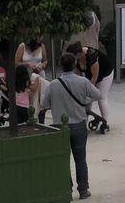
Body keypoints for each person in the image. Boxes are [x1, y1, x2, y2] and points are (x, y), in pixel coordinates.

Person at [41, 51, 100, 199]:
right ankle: (83, 190)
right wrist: (84, 101)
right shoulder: (83, 81)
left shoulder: (53, 84)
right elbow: (98, 95)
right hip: (79, 124)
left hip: (60, 126)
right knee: (80, 159)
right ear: (74, 65)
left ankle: (66, 190)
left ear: (61, 65)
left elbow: (44, 104)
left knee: (63, 160)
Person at [65, 42, 112, 130]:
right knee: (86, 100)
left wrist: (87, 91)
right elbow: (76, 76)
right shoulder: (75, 60)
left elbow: (94, 77)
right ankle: (83, 122)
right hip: (89, 74)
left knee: (101, 97)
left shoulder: (92, 56)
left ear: (79, 54)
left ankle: (105, 122)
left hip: (105, 73)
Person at [15, 37, 48, 121]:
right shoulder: (22, 46)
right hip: (27, 76)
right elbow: (16, 63)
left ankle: (41, 119)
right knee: (30, 98)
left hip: (39, 75)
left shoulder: (42, 46)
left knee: (41, 99)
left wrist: (42, 65)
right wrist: (27, 64)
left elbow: (45, 61)